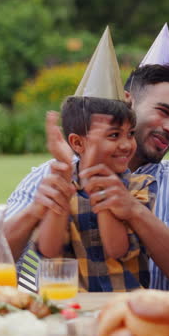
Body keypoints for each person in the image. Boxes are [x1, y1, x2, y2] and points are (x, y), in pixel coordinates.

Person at [0, 59, 169, 290]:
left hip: (147, 324)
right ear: (128, 103)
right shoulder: (53, 175)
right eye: (164, 112)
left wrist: (134, 211)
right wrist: (35, 211)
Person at [35, 98, 153, 291]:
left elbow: (117, 249)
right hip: (72, 306)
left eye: (130, 134)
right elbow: (49, 250)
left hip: (123, 306)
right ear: (77, 143)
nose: (126, 145)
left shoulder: (139, 187)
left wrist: (96, 184)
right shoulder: (60, 186)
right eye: (114, 135)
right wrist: (64, 184)